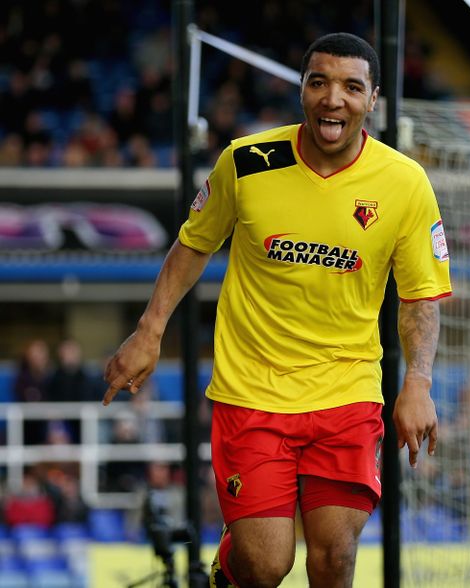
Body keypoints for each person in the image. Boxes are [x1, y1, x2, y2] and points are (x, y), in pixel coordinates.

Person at [101, 32, 451, 588]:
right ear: (303, 91)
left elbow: (419, 298)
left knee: (334, 558)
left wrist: (419, 382)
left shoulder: (406, 184)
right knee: (265, 565)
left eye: (351, 87)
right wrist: (150, 330)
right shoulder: (246, 162)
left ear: (373, 99)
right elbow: (193, 243)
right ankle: (224, 571)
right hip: (252, 392)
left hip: (348, 390)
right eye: (319, 82)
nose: (333, 99)